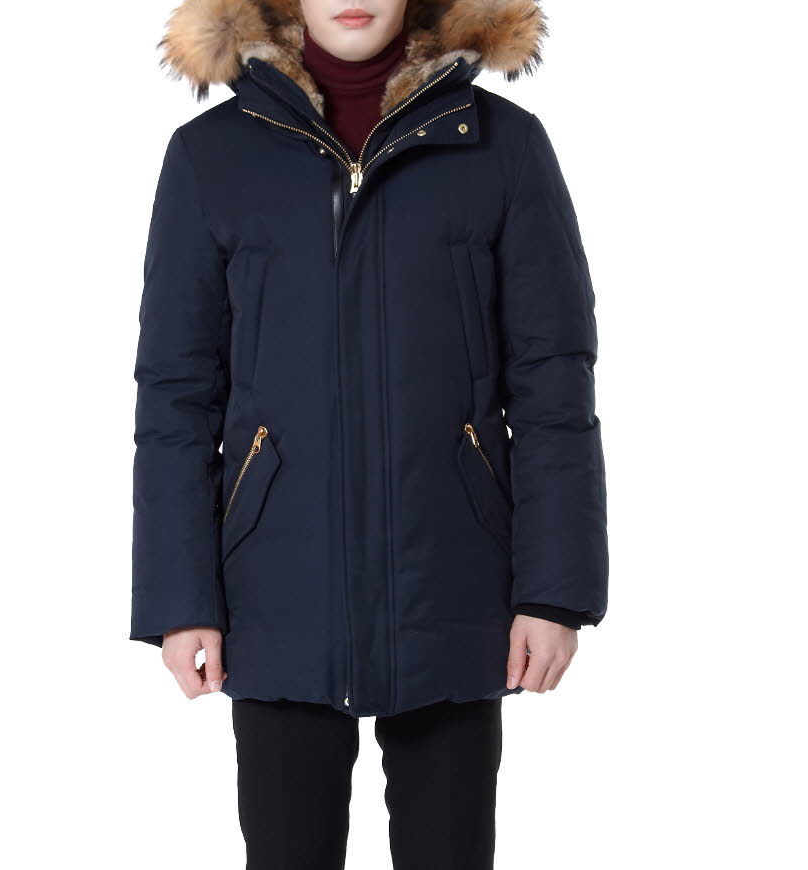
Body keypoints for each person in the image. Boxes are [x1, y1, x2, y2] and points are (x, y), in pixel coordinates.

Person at [131, 0, 608, 867]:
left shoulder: (502, 146)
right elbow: (177, 395)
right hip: (275, 591)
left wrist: (554, 592)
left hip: (453, 586)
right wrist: (179, 600)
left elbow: (552, 382)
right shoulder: (212, 156)